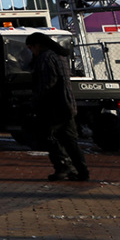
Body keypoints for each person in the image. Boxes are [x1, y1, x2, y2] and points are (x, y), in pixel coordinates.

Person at [29, 32, 87, 181]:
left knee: (49, 136)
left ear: (37, 45)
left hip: (53, 106)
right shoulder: (60, 56)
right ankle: (81, 170)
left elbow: (46, 84)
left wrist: (36, 102)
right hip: (67, 104)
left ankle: (63, 166)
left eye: (31, 48)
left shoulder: (44, 58)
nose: (31, 52)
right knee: (70, 140)